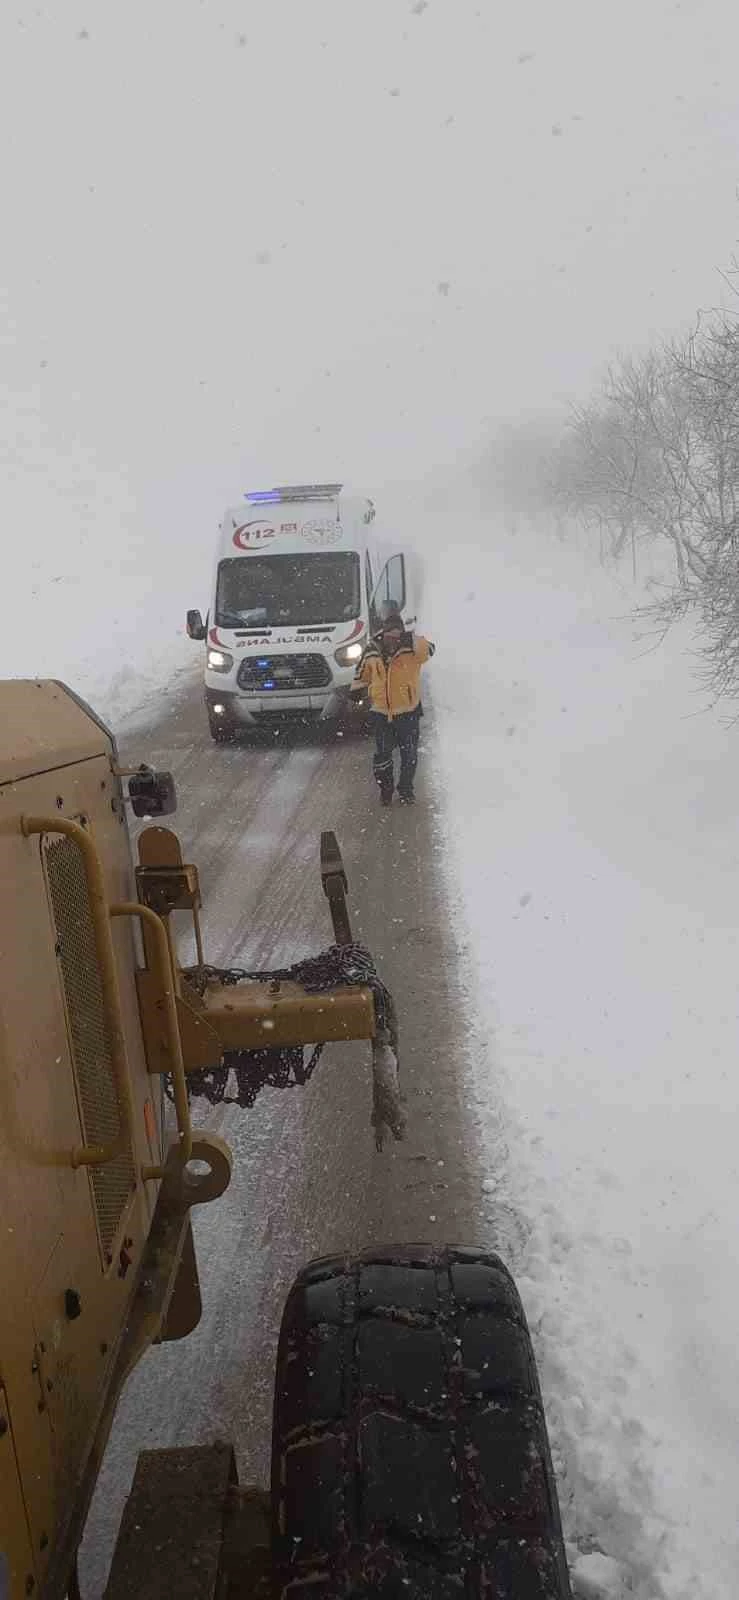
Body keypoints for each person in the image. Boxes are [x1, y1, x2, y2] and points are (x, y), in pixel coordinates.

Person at [356, 611, 435, 805]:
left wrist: (412, 638)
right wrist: (355, 693)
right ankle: (386, 788)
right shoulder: (372, 649)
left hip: (408, 711)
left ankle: (406, 789)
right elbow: (362, 674)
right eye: (390, 632)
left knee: (409, 755)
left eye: (397, 632)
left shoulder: (412, 650)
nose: (394, 637)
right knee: (382, 755)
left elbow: (430, 650)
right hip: (381, 713)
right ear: (384, 632)